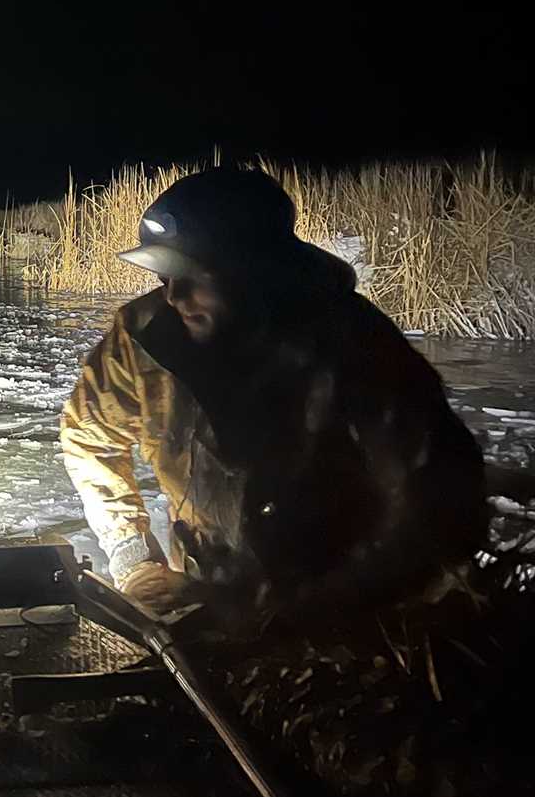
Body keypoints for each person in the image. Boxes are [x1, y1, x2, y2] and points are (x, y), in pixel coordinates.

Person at [59, 168, 486, 624]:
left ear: (257, 270)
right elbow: (88, 438)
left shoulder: (356, 344)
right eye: (165, 276)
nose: (174, 296)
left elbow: (440, 501)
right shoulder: (142, 339)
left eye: (193, 275)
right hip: (204, 587)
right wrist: (133, 557)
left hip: (344, 607)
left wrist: (308, 608)